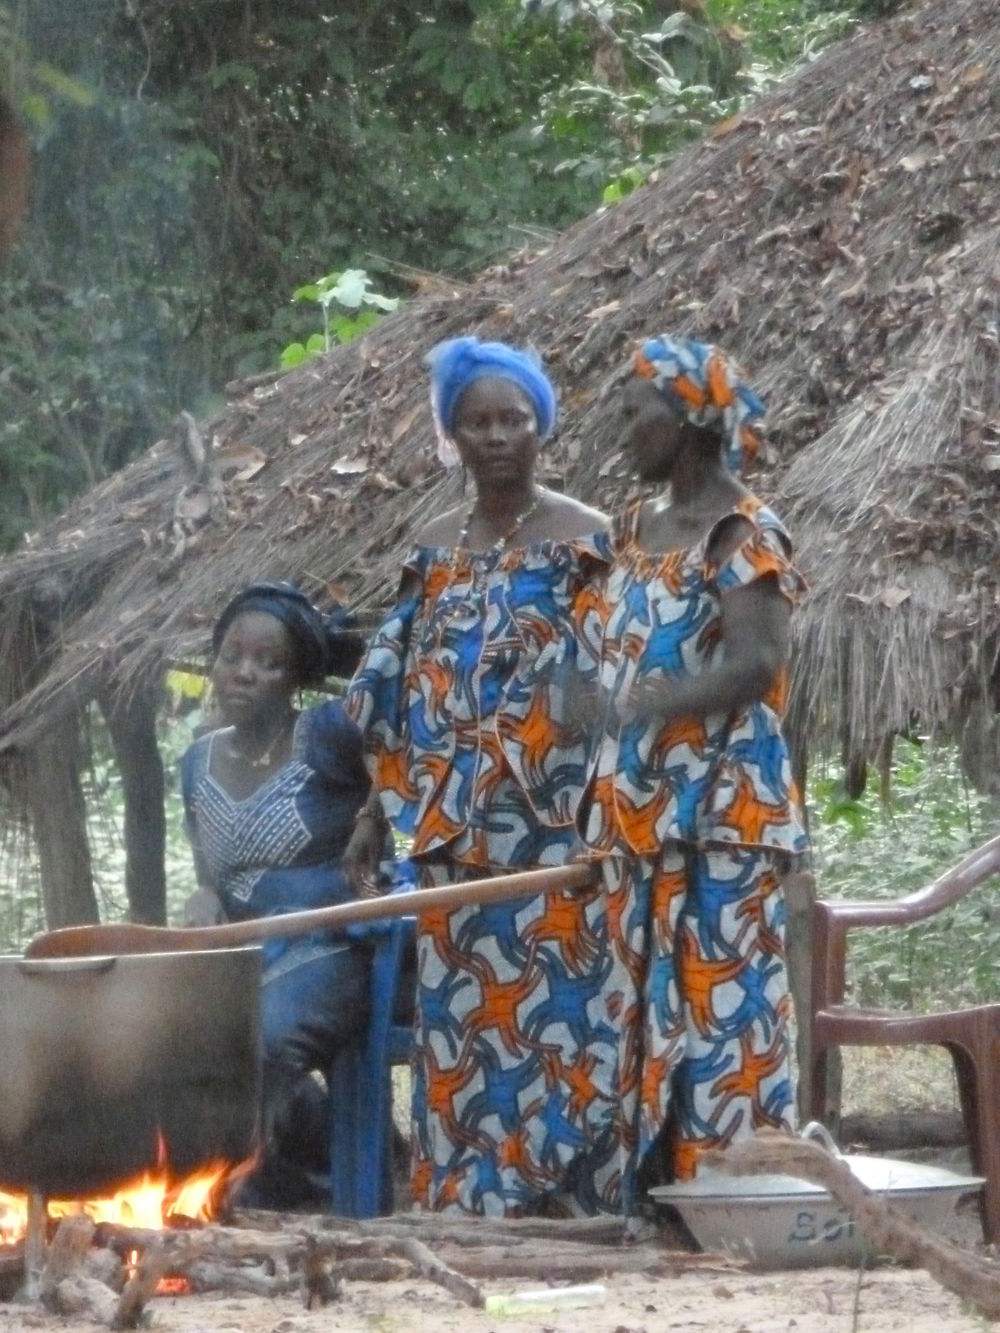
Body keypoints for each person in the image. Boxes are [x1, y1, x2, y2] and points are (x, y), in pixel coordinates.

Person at [346, 335, 624, 1217]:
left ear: (541, 425)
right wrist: (374, 810)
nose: (498, 435)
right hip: (455, 839)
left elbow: (620, 680)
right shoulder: (431, 550)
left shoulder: (589, 539)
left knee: (569, 1016)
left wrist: (612, 807)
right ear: (453, 437)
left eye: (514, 418)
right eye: (478, 422)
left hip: (559, 832)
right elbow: (395, 688)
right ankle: (469, 1196)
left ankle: (568, 1196)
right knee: (464, 1023)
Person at [581, 334, 809, 1214]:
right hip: (640, 813)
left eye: (637, 412)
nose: (624, 429)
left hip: (722, 813)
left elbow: (755, 665)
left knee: (725, 1016)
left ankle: (736, 1199)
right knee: (641, 1008)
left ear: (687, 419)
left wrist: (641, 704)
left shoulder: (743, 534)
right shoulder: (633, 530)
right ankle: (655, 1195)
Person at [180, 580, 384, 1208]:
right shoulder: (195, 761)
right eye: (232, 657)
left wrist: (375, 814)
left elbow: (405, 727)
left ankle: (248, 1189)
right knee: (170, 1031)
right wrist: (203, 899)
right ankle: (290, 1172)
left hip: (337, 944)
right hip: (243, 948)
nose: (245, 673)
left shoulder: (328, 733)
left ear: (296, 676)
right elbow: (211, 872)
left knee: (258, 1033)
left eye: (269, 663)